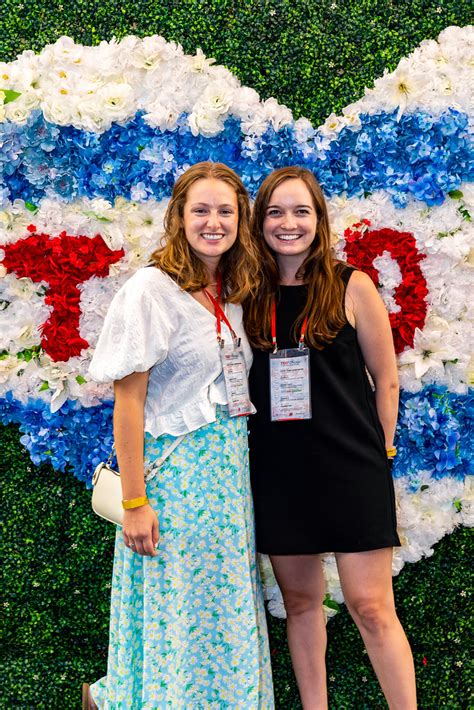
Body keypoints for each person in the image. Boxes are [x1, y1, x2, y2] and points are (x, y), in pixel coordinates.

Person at [84, 162, 274, 709]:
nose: (213, 222)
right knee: (180, 614)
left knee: (221, 612)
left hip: (227, 486)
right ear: (179, 216)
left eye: (225, 212)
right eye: (201, 210)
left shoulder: (230, 293)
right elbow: (129, 402)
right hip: (175, 485)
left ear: (241, 220)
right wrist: (135, 501)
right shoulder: (150, 289)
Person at [244, 166, 416, 709]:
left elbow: (385, 379)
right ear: (260, 221)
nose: (288, 223)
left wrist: (379, 451)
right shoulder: (245, 295)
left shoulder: (352, 284)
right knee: (300, 605)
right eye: (275, 212)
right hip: (278, 474)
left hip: (351, 469)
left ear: (319, 219)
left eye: (301, 211)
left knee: (371, 607)